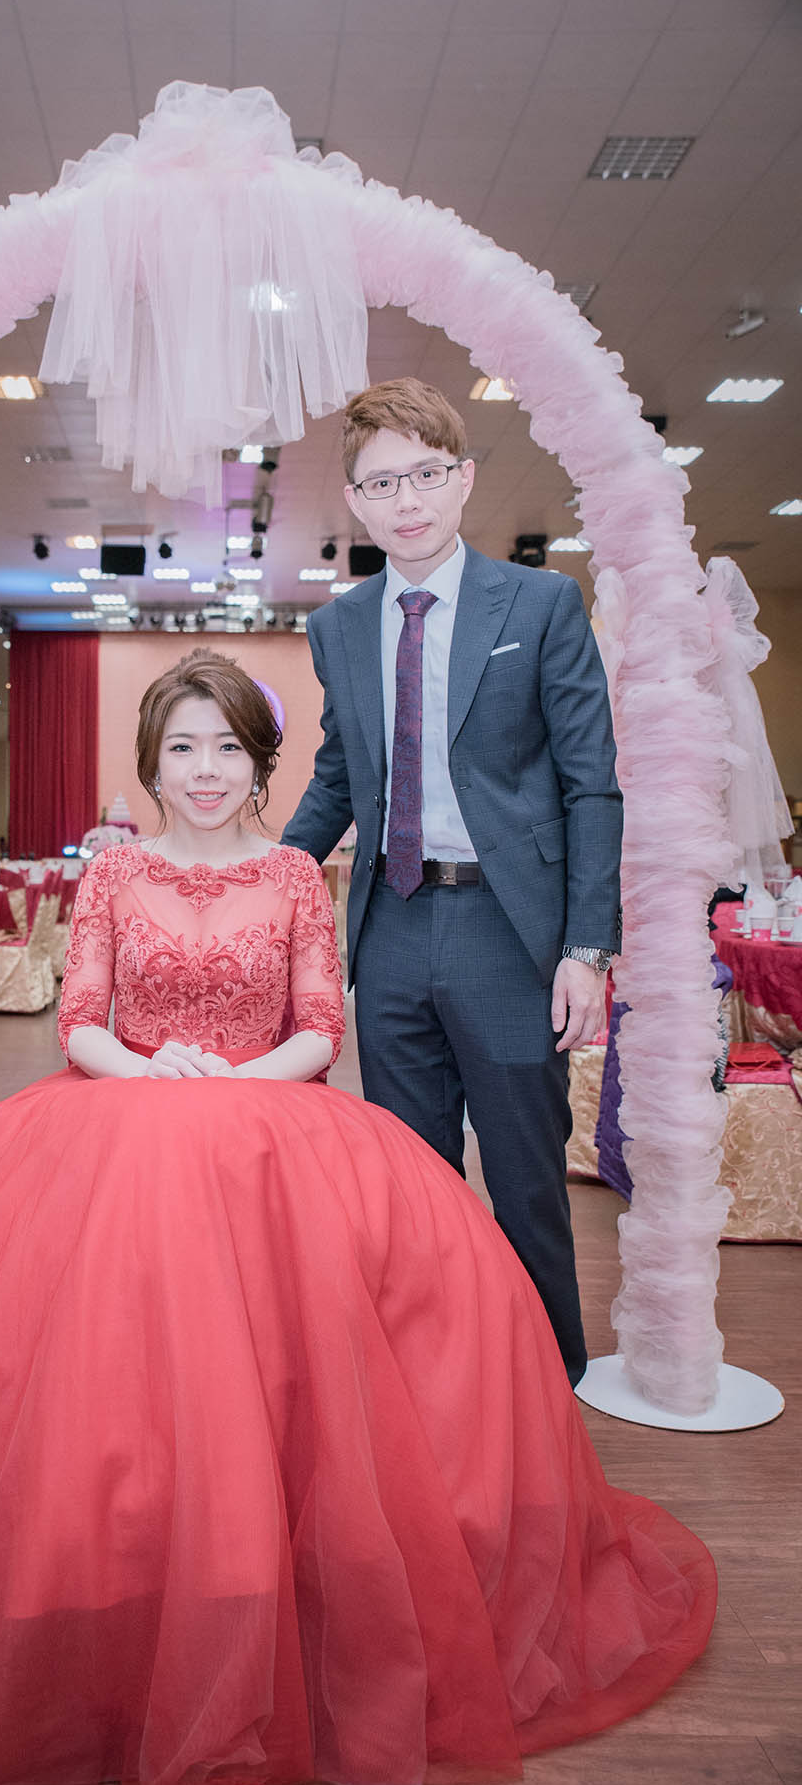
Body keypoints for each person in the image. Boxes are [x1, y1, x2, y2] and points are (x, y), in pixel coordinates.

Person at [0, 651, 710, 1785]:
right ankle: (116, 1589)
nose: (206, 769)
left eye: (228, 746)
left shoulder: (296, 875)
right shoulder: (114, 873)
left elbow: (319, 1029)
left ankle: (272, 1575)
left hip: (272, 1119)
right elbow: (80, 1018)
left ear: (261, 765)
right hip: (120, 1112)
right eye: (183, 747)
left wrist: (232, 1081)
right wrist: (144, 1068)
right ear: (151, 763)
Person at [283, 378, 623, 1386]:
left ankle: (548, 1382)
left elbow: (592, 786)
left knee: (525, 1179)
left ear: (464, 478)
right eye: (383, 482)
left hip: (508, 933)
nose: (409, 499)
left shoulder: (542, 604)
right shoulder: (339, 627)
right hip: (390, 928)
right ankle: (429, 1387)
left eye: (426, 473)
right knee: (409, 1185)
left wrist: (587, 948)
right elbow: (341, 775)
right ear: (357, 501)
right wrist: (268, 877)